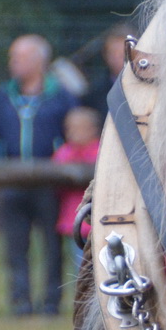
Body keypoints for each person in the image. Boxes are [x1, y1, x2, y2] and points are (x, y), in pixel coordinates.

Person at [0, 34, 76, 316]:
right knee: (15, 247)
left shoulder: (61, 96)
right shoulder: (2, 96)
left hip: (50, 184)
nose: (12, 63)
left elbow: (73, 133)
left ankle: (50, 303)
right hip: (12, 183)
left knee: (51, 246)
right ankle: (20, 302)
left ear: (38, 61)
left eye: (19, 57)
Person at [53, 106, 102, 273]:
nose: (73, 133)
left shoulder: (101, 151)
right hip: (75, 223)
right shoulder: (64, 153)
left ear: (93, 129)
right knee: (81, 268)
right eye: (69, 128)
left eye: (79, 128)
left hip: (99, 223)